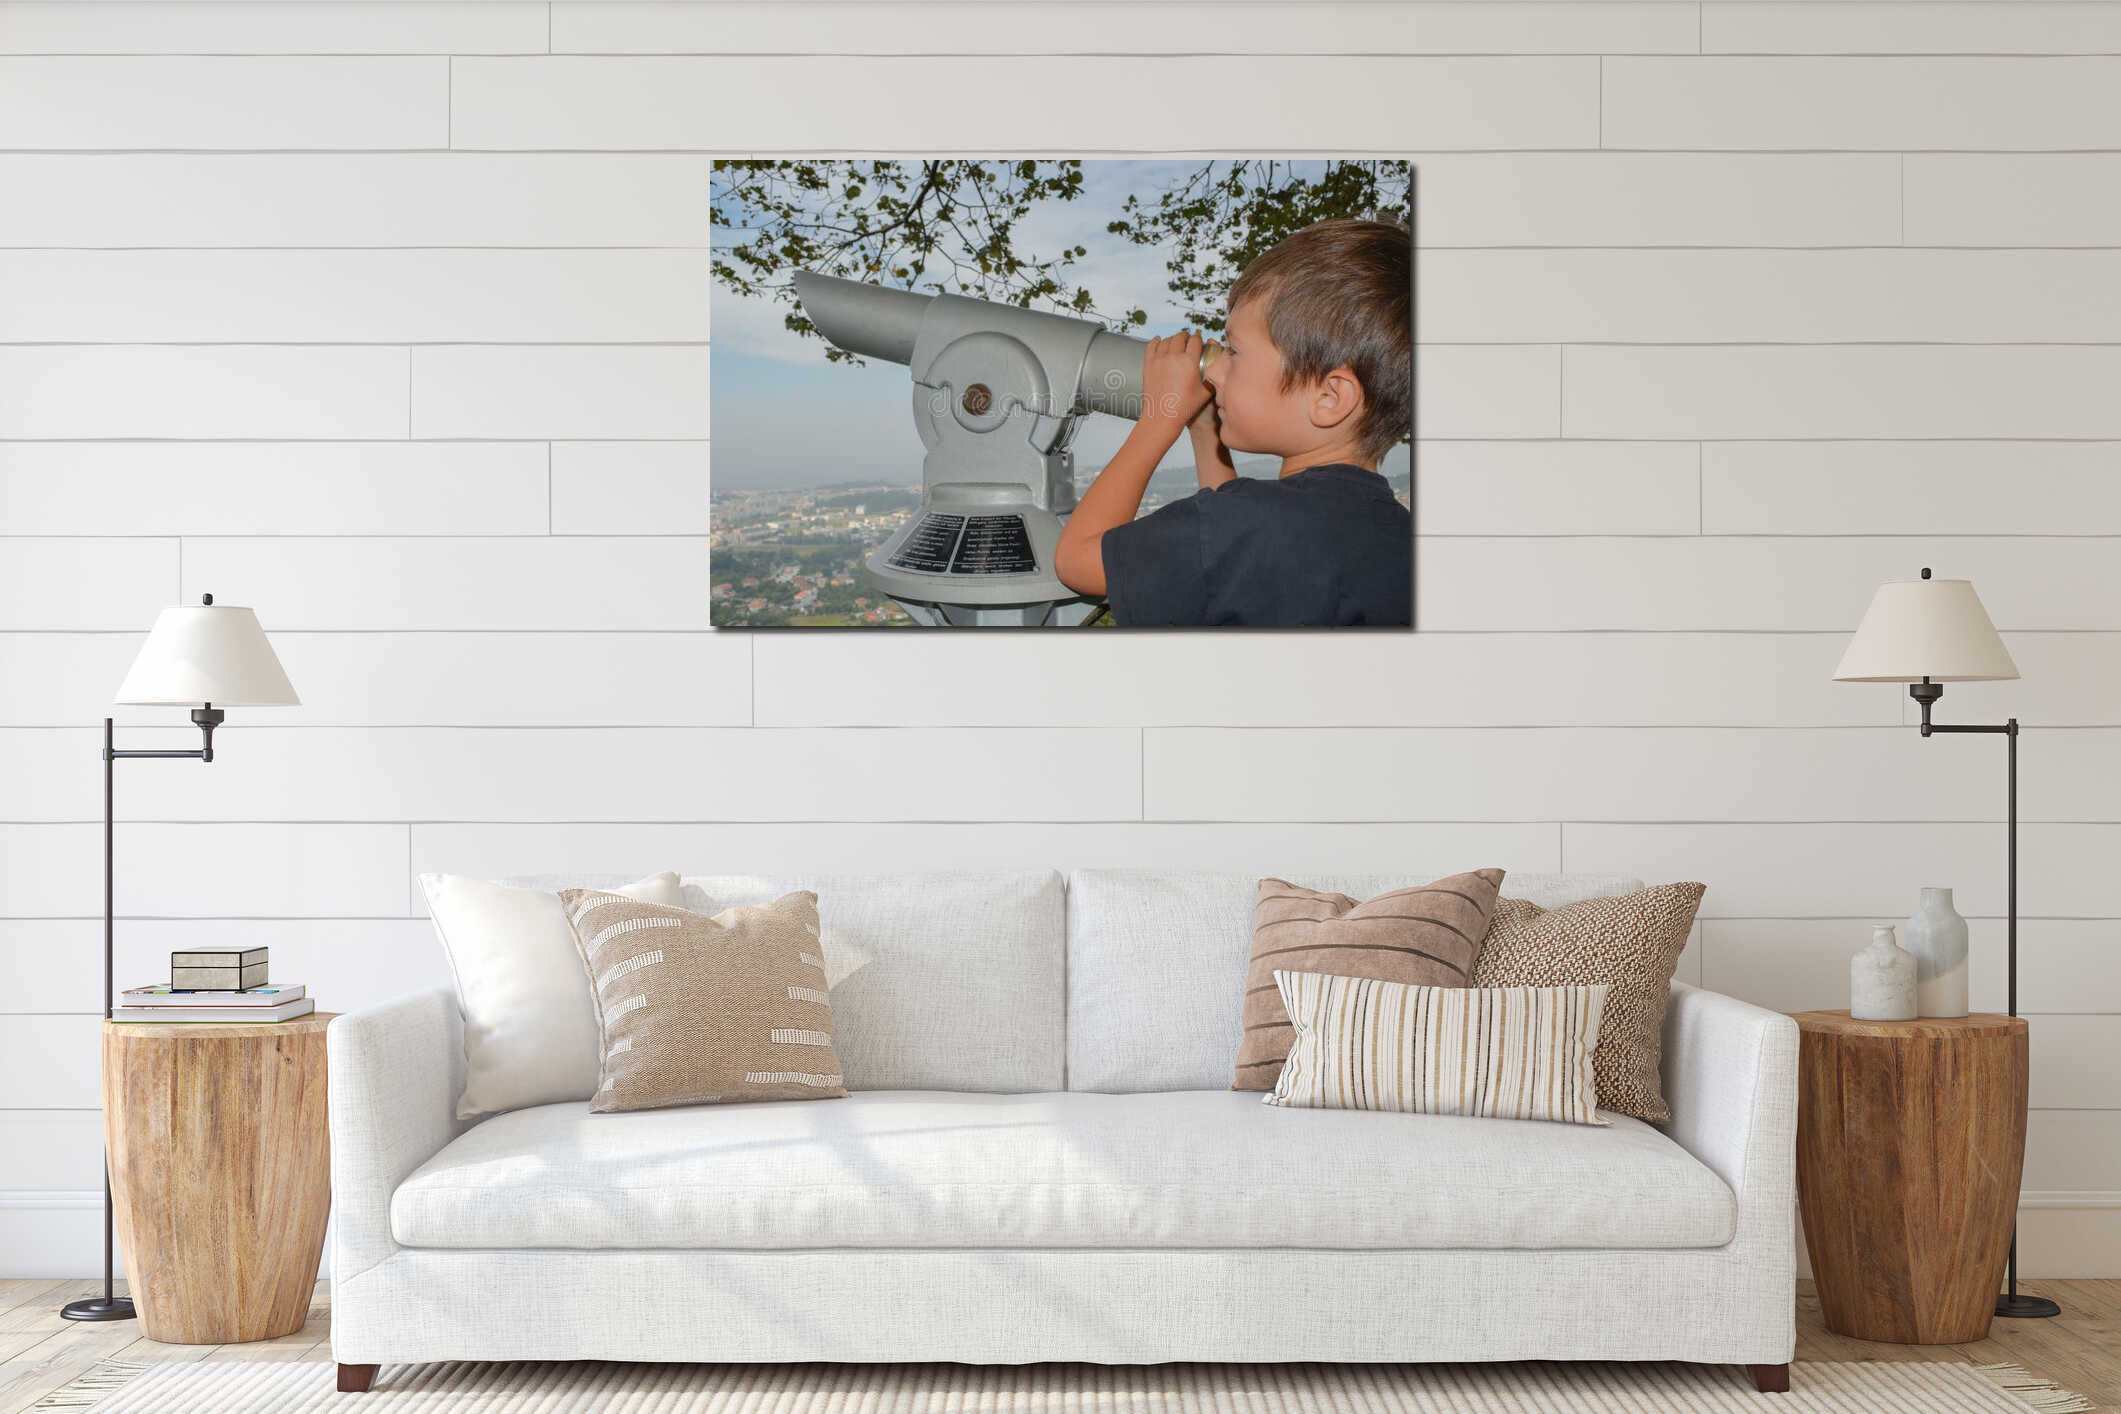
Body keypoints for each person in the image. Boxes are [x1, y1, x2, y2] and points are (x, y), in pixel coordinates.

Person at [1052, 217, 1412, 628]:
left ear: (1330, 398)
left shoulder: (1242, 524)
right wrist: (1207, 433)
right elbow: (1232, 556)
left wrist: (1161, 416)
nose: (1217, 370)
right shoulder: (1395, 534)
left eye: (1235, 352)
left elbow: (1077, 560)